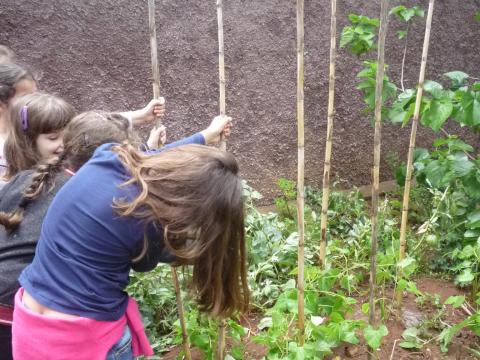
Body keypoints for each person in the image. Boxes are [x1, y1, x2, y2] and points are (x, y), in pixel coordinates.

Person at [3, 110, 243, 359]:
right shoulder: (144, 217)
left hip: (30, 325)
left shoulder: (106, 156)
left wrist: (203, 137)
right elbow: (146, 263)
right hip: (82, 339)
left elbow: (152, 157)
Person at [1, 90, 166, 185]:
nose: (64, 144)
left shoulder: (59, 162)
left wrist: (140, 117)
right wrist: (147, 150)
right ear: (28, 141)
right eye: (53, 138)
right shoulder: (28, 186)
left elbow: (91, 126)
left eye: (68, 135)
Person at [0, 63, 37, 185]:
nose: (35, 103)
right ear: (2, 104)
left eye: (36, 97)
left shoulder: (35, 135)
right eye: (26, 98)